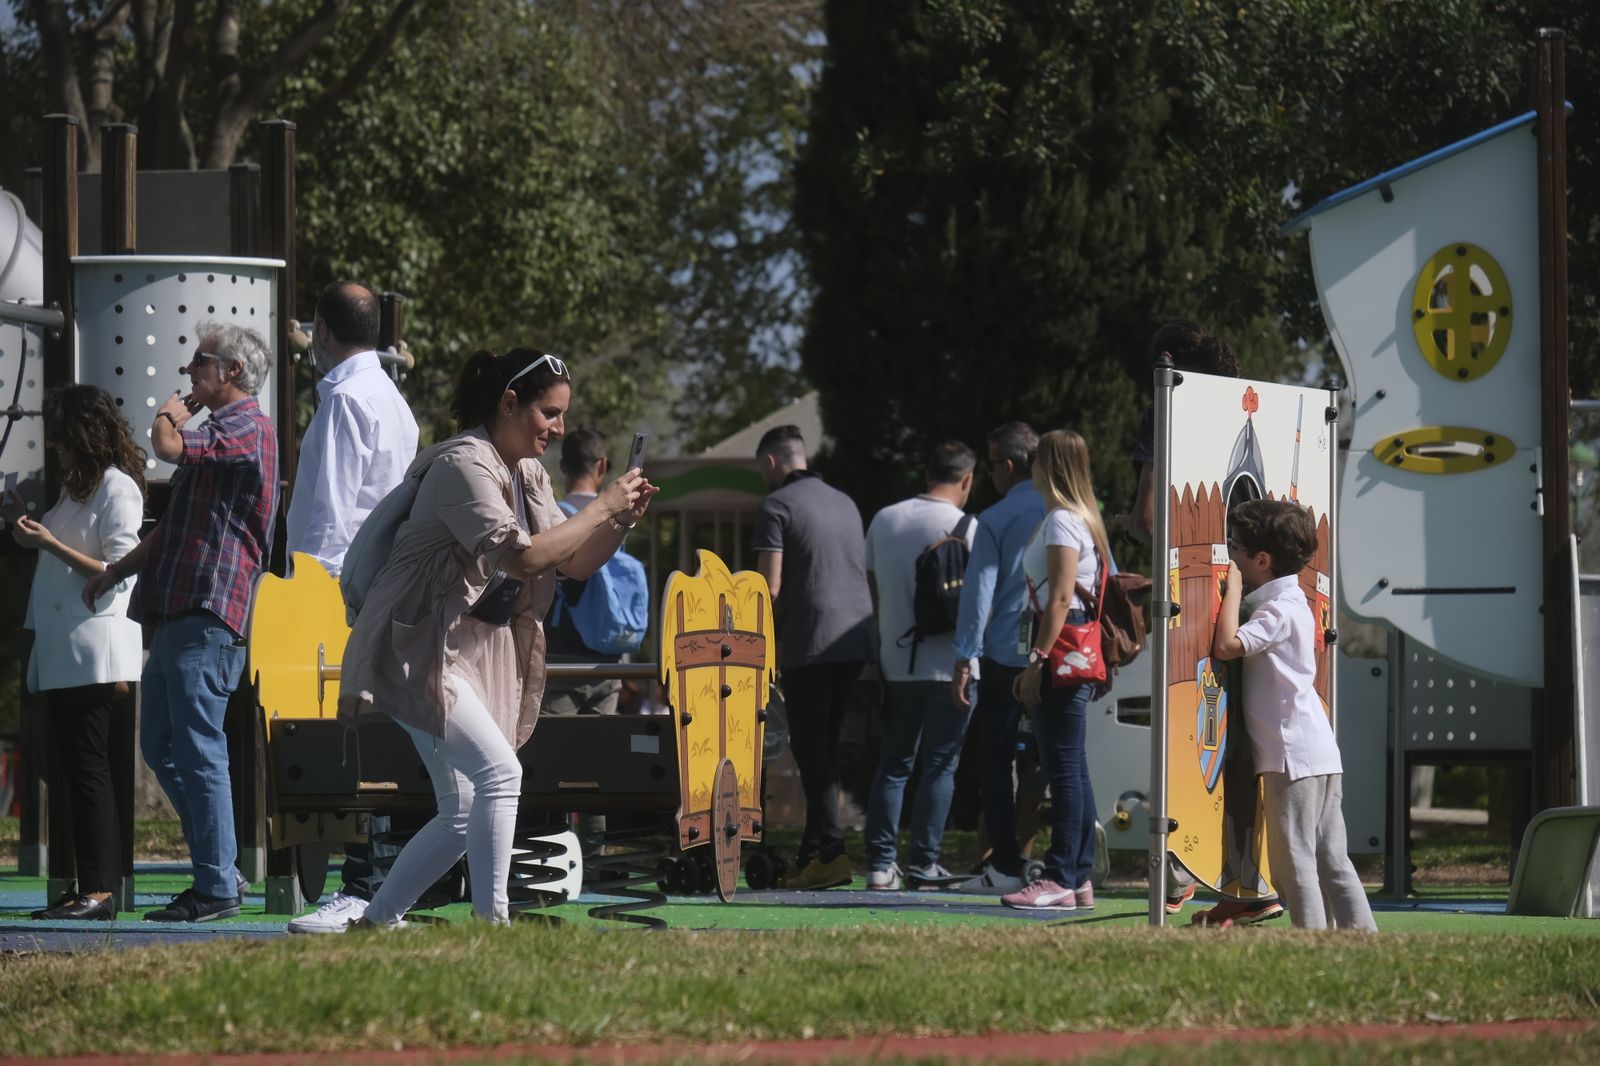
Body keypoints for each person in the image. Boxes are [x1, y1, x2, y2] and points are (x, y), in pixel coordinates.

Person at [338, 349, 654, 928]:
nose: (558, 429)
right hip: (416, 646)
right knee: (501, 774)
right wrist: (603, 504)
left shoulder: (527, 473)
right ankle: (494, 927)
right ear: (509, 403)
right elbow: (526, 556)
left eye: (562, 416)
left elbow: (577, 561)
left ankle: (375, 923)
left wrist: (620, 520)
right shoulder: (464, 465)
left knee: (461, 808)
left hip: (462, 650)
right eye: (549, 414)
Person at [82, 321, 279, 923]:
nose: (190, 373)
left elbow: (167, 446)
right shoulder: (221, 432)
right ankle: (218, 871)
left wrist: (169, 414)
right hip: (177, 611)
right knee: (163, 745)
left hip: (210, 612)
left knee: (196, 747)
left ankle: (216, 885)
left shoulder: (245, 426)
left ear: (232, 373)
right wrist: (115, 573)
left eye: (199, 363)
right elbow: (171, 529)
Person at [1124, 319, 1281, 924]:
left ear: (1167, 362)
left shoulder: (1168, 409)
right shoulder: (1255, 411)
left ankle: (1180, 870)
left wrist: (1133, 527)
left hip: (1193, 600)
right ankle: (1249, 882)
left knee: (1191, 736)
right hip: (1262, 595)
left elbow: (1149, 513)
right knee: (1245, 741)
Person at [284, 280, 420, 935]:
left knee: (350, 743)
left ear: (322, 330)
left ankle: (361, 889)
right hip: (385, 587)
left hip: (342, 594)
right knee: (378, 742)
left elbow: (331, 512)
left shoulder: (343, 399)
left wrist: (307, 596)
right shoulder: (393, 400)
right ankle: (377, 887)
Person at [1211, 499, 1376, 931]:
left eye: (1235, 549)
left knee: (1294, 859)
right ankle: (1363, 939)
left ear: (1261, 560)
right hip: (1318, 752)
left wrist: (1230, 592)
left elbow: (1227, 646)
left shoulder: (1277, 610)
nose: (1230, 555)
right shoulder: (1295, 603)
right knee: (1330, 856)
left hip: (1292, 756)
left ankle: (1312, 941)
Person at [16, 386, 145, 921]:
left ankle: (99, 889)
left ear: (84, 438)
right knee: (74, 766)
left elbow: (120, 569)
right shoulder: (77, 489)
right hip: (63, 648)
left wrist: (48, 544)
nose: (56, 449)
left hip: (94, 649)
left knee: (90, 768)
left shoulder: (117, 489)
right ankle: (87, 884)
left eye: (63, 440)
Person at [753, 425, 874, 891]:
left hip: (812, 640)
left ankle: (830, 852)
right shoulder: (844, 502)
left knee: (809, 749)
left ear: (770, 463)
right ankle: (814, 854)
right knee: (823, 748)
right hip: (855, 638)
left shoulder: (776, 506)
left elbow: (770, 586)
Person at [863, 441, 977, 891]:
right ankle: (924, 864)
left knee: (892, 766)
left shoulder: (884, 519)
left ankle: (879, 864)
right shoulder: (968, 527)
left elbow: (874, 590)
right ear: (966, 479)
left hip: (896, 661)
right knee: (940, 767)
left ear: (927, 471)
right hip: (953, 665)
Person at [1001, 429, 1106, 911]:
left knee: (1062, 768)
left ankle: (1061, 874)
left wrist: (1037, 662)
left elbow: (1061, 597)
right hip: (1076, 648)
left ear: (1048, 465)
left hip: (1061, 648)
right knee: (1073, 766)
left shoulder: (1063, 521)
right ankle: (1077, 874)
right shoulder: (1081, 518)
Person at [950, 423, 1047, 895]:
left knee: (997, 761)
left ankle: (1006, 863)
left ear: (1007, 466)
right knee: (1061, 763)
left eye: (990, 464)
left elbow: (978, 594)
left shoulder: (996, 517)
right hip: (1058, 653)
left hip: (1006, 653)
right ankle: (1069, 868)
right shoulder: (1068, 509)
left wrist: (964, 656)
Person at [543, 427, 624, 717]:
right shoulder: (619, 518)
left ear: (563, 467)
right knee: (601, 755)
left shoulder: (551, 514)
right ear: (602, 465)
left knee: (556, 753)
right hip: (609, 656)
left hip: (560, 656)